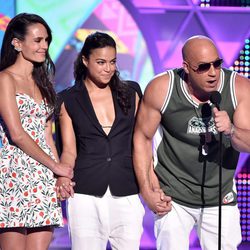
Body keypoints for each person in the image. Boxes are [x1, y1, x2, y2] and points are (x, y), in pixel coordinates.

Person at [133, 35, 250, 250]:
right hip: (173, 195)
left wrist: (232, 130)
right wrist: (146, 189)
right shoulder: (162, 88)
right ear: (186, 67)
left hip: (219, 194)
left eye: (217, 64)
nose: (213, 72)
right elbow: (142, 138)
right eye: (204, 67)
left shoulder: (239, 88)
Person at [55, 31, 145, 250]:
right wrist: (63, 176)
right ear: (85, 60)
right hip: (85, 192)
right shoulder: (68, 99)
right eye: (101, 62)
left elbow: (143, 141)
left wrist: (150, 184)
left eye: (112, 62)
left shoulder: (131, 92)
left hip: (126, 188)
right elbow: (69, 150)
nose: (108, 68)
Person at [0, 13, 73, 250]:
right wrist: (56, 166)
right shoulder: (4, 79)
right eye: (38, 40)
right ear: (17, 43)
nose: (44, 46)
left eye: (47, 41)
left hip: (42, 175)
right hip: (14, 173)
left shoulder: (43, 84)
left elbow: (46, 137)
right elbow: (17, 134)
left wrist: (59, 175)